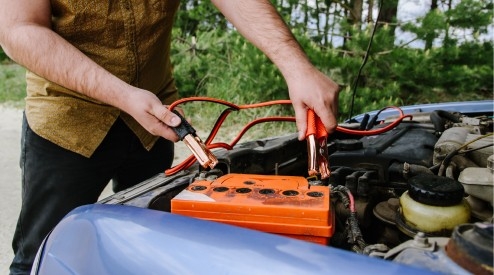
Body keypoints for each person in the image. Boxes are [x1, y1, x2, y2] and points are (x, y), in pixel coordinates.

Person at [0, 0, 340, 274]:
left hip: (154, 119)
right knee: (38, 255)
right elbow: (18, 28)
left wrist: (296, 66)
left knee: (149, 247)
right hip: (68, 121)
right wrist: (123, 95)